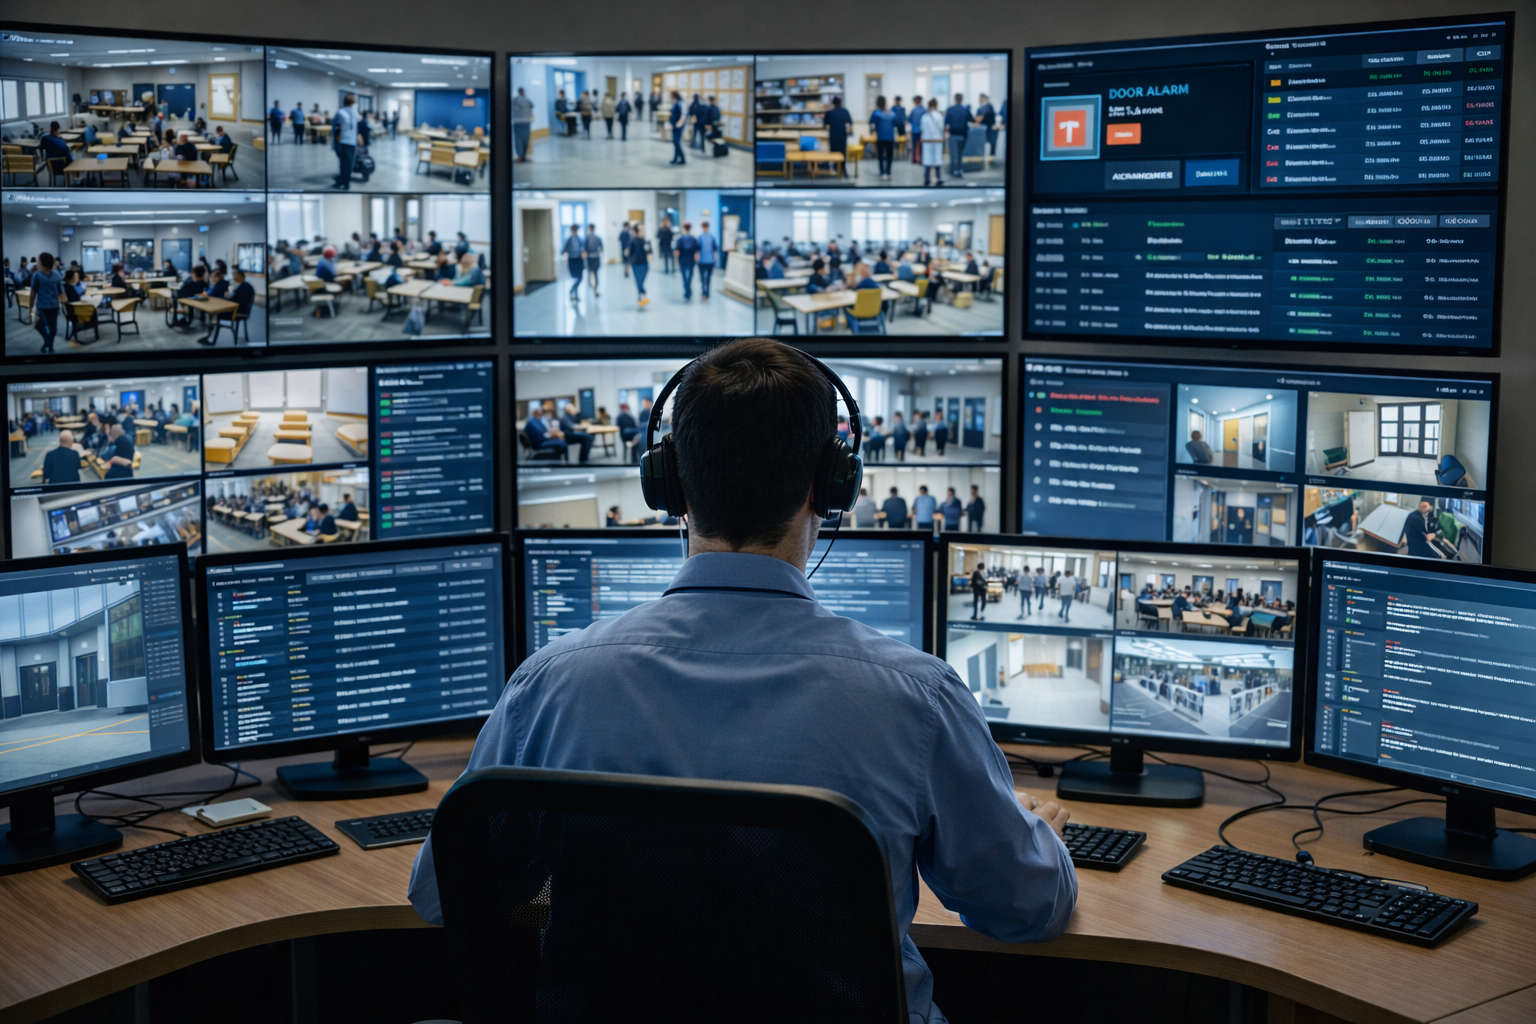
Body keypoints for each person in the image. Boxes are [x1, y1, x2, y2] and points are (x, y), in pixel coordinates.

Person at [409, 343, 1076, 1021]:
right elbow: (1026, 910)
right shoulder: (917, 697)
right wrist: (1034, 837)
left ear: (668, 485)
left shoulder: (550, 686)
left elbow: (441, 894)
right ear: (830, 486)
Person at [28, 252, 64, 354]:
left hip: (42, 306)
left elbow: (33, 292)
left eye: (39, 261)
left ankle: (48, 345)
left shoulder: (37, 275)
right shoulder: (57, 274)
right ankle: (49, 347)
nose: (37, 263)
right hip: (54, 305)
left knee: (40, 325)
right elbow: (60, 290)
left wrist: (30, 306)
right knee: (52, 327)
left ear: (42, 262)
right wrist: (64, 301)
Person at [332, 94, 360, 190]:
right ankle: (344, 181)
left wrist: (335, 143)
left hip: (344, 141)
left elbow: (336, 128)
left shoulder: (341, 112)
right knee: (347, 163)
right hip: (350, 142)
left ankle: (344, 182)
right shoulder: (354, 113)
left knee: (344, 163)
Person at [945, 93, 972, 179]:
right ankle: (959, 170)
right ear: (961, 99)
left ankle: (954, 171)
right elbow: (971, 119)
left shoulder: (950, 109)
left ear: (954, 99)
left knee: (953, 154)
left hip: (953, 135)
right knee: (960, 154)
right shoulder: (966, 109)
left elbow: (946, 123)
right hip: (963, 135)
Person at [869, 96, 897, 180]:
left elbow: (871, 123)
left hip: (880, 137)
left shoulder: (876, 113)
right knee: (889, 156)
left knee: (880, 156)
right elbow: (896, 123)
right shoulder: (891, 113)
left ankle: (882, 173)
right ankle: (888, 173)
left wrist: (872, 131)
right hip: (890, 137)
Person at [920, 98, 946, 186]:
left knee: (928, 159)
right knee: (937, 159)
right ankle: (938, 178)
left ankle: (927, 178)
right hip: (937, 140)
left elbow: (922, 128)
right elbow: (942, 128)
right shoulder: (939, 116)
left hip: (927, 140)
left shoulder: (924, 116)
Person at [824, 94, 853, 168]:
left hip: (833, 135)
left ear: (833, 103)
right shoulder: (845, 111)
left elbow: (825, 125)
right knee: (843, 151)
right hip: (843, 135)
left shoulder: (829, 112)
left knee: (834, 152)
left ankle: (835, 168)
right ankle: (842, 168)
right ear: (840, 102)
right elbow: (849, 124)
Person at [674, 222, 700, 301]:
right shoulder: (693, 239)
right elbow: (697, 250)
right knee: (690, 276)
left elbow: (677, 251)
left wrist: (675, 262)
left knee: (684, 276)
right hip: (691, 260)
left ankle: (687, 290)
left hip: (682, 260)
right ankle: (688, 289)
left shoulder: (680, 239)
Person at [626, 227, 650, 307]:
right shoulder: (632, 241)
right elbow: (629, 253)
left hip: (644, 263)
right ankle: (642, 295)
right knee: (638, 281)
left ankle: (641, 295)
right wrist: (628, 263)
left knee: (641, 281)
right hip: (636, 264)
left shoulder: (644, 241)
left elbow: (649, 251)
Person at [697, 220, 719, 302]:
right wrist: (715, 260)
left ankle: (705, 293)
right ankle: (705, 292)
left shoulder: (701, 237)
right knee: (706, 278)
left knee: (705, 278)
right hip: (705, 261)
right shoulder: (709, 237)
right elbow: (715, 250)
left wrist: (715, 259)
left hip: (705, 261)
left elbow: (715, 250)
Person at [562, 224, 585, 302]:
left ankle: (572, 290)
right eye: (573, 229)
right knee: (575, 278)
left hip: (579, 260)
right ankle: (575, 295)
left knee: (580, 278)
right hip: (572, 260)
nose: (575, 231)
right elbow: (563, 250)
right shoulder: (569, 240)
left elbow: (584, 249)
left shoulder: (580, 239)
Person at [581, 223, 604, 298]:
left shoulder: (596, 238)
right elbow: (584, 250)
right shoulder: (587, 238)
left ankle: (595, 289)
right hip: (590, 259)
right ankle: (593, 288)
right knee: (591, 274)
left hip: (595, 258)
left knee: (595, 274)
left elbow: (601, 248)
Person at [512, 87, 534, 162]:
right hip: (526, 122)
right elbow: (533, 105)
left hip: (518, 122)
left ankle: (520, 156)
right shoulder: (527, 100)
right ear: (523, 92)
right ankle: (523, 155)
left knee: (519, 140)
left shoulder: (515, 99)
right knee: (525, 139)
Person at [975, 93, 999, 157]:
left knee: (992, 143)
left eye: (980, 98)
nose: (979, 99)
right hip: (983, 127)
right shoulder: (980, 108)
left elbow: (988, 115)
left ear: (983, 98)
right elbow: (977, 118)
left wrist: (981, 118)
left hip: (990, 127)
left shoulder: (989, 106)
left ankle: (992, 156)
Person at [668, 91, 686, 165]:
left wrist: (678, 124)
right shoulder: (675, 103)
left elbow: (683, 116)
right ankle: (677, 158)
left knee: (676, 142)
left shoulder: (680, 104)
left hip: (678, 126)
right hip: (674, 126)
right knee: (675, 143)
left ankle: (681, 159)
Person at [908, 94, 924, 165]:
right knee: (921, 146)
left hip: (915, 130)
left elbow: (910, 120)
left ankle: (914, 158)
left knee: (914, 146)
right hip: (921, 130)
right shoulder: (924, 110)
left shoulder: (913, 110)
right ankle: (921, 159)